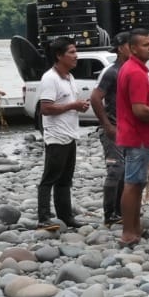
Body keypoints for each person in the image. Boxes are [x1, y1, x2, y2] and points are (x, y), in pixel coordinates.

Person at [36, 39, 91, 231]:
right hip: (56, 136)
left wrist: (80, 106)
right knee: (50, 177)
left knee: (65, 179)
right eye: (72, 52)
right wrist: (73, 105)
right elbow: (46, 108)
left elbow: (68, 104)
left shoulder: (69, 77)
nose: (76, 56)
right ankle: (43, 217)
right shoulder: (50, 78)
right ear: (59, 56)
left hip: (70, 134)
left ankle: (65, 216)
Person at [116, 29, 149, 246]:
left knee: (138, 182)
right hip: (137, 136)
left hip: (136, 135)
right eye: (146, 45)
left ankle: (135, 227)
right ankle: (128, 231)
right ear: (133, 48)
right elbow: (139, 109)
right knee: (133, 184)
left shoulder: (134, 69)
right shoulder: (135, 72)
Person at [90, 32, 131, 224]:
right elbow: (95, 98)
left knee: (126, 171)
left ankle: (120, 211)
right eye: (131, 45)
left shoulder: (132, 70)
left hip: (129, 129)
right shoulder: (112, 71)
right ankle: (109, 215)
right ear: (121, 48)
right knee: (115, 170)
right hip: (113, 128)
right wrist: (107, 125)